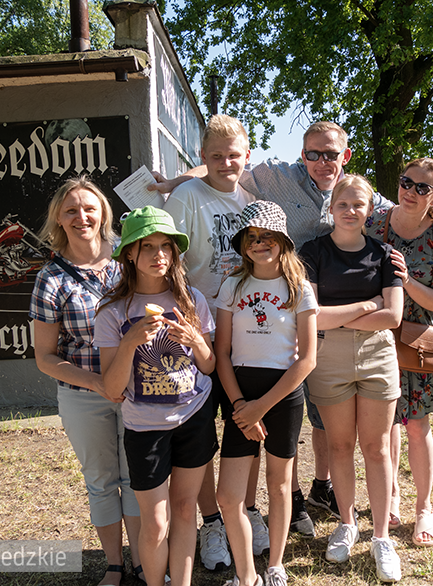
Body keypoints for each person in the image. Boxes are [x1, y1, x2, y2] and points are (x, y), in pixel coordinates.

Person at [152, 120, 433, 539]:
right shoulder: (275, 177)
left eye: (330, 154)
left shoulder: (359, 196)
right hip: (274, 315)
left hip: (332, 322)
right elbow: (224, 164)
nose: (321, 161)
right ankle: (286, 499)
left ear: (344, 156)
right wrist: (174, 180)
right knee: (298, 418)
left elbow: (409, 205)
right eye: (312, 154)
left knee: (344, 421)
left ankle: (352, 496)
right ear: (302, 155)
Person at [162, 114, 268, 570]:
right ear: (202, 157)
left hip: (247, 333)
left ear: (247, 157)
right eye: (217, 156)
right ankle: (210, 522)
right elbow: (169, 259)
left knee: (248, 425)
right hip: (199, 335)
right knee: (200, 434)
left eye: (234, 155)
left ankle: (247, 509)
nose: (227, 163)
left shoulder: (252, 200)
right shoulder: (187, 196)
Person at [94, 207, 218, 586]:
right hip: (145, 428)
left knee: (185, 510)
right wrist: (130, 341)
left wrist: (196, 341)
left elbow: (209, 365)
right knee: (156, 524)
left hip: (194, 417)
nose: (158, 254)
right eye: (147, 246)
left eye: (166, 245)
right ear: (129, 253)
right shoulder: (113, 312)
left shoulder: (192, 299)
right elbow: (112, 389)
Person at [29, 176, 142, 586]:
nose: (82, 217)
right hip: (83, 394)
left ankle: (142, 560)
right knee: (101, 481)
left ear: (103, 214)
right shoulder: (51, 278)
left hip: (136, 390)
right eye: (71, 210)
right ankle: (114, 564)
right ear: (59, 219)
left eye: (90, 208)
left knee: (136, 479)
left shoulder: (128, 260)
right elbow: (45, 356)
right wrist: (97, 383)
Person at [300, 174, 404, 583]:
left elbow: (393, 316)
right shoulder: (313, 252)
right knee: (340, 445)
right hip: (329, 358)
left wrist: (341, 315)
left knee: (376, 448)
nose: (349, 211)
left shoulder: (385, 254)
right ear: (331, 207)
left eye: (358, 204)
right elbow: (313, 316)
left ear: (369, 210)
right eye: (342, 204)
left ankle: (381, 537)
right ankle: (346, 523)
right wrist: (366, 304)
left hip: (378, 354)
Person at [214, 201, 318, 586]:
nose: (259, 243)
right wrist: (242, 406)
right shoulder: (232, 286)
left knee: (279, 485)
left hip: (282, 396)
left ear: (283, 240)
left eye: (267, 236)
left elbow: (307, 360)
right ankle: (247, 576)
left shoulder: (299, 289)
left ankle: (275, 566)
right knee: (229, 497)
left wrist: (261, 407)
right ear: (243, 244)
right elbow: (222, 354)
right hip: (240, 395)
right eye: (252, 237)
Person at [366, 158, 433, 550]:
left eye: (423, 188)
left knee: (417, 426)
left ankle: (424, 507)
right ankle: (391, 495)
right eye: (406, 182)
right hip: (377, 334)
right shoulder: (375, 223)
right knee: (385, 423)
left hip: (418, 339)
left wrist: (405, 281)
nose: (411, 192)